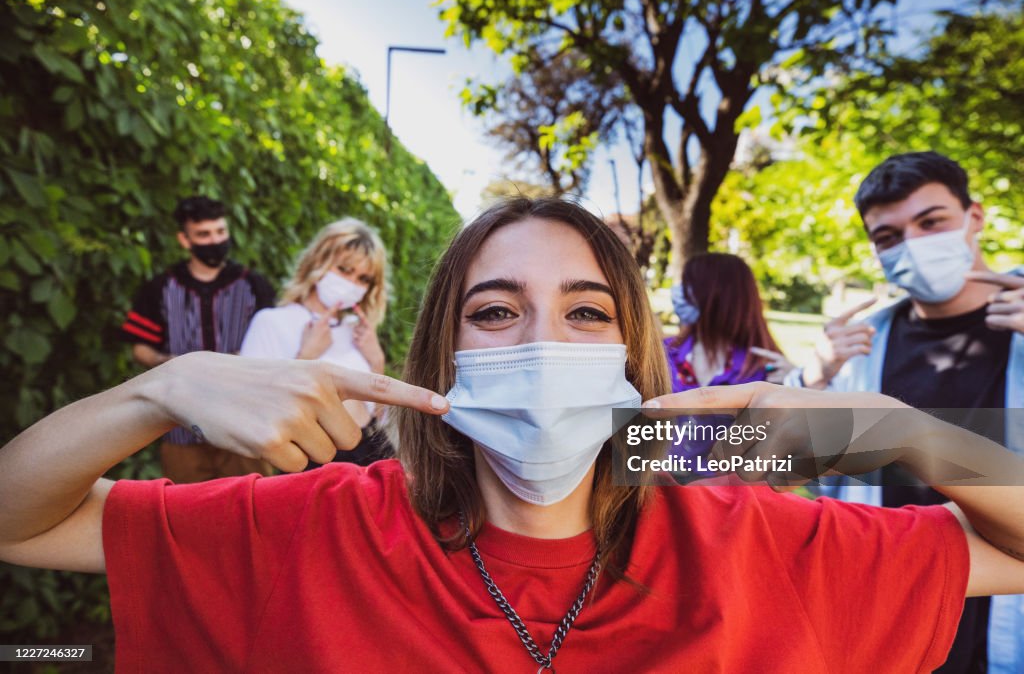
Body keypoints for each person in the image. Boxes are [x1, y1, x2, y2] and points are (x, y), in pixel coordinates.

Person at [2, 197, 1024, 672]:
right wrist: (157, 393)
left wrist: (895, 427)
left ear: (634, 350)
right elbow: (18, 521)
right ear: (439, 352)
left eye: (586, 312)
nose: (542, 337)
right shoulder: (315, 524)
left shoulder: (756, 538)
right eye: (495, 311)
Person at [788, 152, 1024, 673]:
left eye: (932, 221)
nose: (913, 245)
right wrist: (815, 378)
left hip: (1006, 610)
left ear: (975, 217)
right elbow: (782, 464)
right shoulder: (860, 349)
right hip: (896, 606)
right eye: (889, 236)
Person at [119, 195, 276, 483]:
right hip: (179, 422)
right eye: (203, 234)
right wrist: (167, 361)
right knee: (184, 511)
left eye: (220, 232)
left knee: (254, 503)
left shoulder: (254, 285)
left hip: (245, 420)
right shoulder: (161, 288)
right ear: (184, 239)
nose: (214, 240)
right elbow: (140, 349)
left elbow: (276, 345)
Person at [239, 218, 392, 466]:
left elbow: (378, 416)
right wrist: (305, 357)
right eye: (344, 269)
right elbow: (254, 415)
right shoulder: (271, 322)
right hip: (315, 462)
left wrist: (376, 361)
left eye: (363, 279)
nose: (352, 283)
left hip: (374, 451)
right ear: (318, 262)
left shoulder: (357, 330)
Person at [666, 252, 793, 392]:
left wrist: (794, 386)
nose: (679, 292)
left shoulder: (762, 368)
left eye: (688, 284)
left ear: (718, 297)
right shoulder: (663, 354)